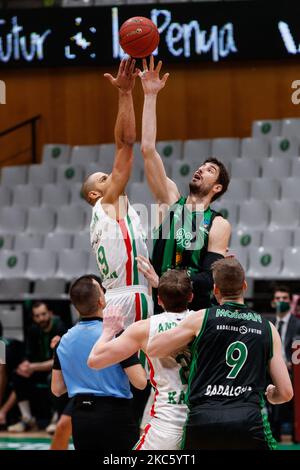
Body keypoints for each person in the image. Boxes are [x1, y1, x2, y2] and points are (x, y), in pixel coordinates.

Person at [147, 258, 294, 450]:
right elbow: (286, 393)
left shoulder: (201, 318)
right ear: (244, 286)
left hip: (203, 418)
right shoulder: (268, 327)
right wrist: (271, 395)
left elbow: (153, 348)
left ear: (215, 290)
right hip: (247, 419)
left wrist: (186, 342)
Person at [81, 57, 154, 424]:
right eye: (102, 177)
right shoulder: (107, 205)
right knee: (150, 385)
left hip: (122, 295)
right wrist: (127, 94)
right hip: (131, 297)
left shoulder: (116, 209)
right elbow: (126, 145)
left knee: (137, 384)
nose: (109, 176)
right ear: (96, 195)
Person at [139, 56, 231, 312]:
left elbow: (208, 278)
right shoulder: (170, 200)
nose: (201, 169)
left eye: (210, 170)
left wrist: (164, 282)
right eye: (202, 166)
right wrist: (150, 95)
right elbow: (147, 149)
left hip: (195, 314)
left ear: (217, 188)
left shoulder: (218, 224)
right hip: (158, 310)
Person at [88, 269, 195, 450]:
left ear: (159, 300)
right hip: (200, 420)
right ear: (191, 297)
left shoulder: (145, 328)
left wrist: (108, 331)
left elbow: (94, 361)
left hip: (167, 422)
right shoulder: (204, 322)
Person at [51, 275, 147, 451]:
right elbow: (140, 382)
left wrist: (81, 378)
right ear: (102, 300)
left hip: (81, 418)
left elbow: (57, 389)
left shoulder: (62, 340)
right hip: (115, 416)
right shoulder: (116, 335)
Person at [7, 302, 67, 432]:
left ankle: (56, 418)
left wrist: (32, 366)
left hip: (57, 368)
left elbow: (59, 360)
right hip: (39, 369)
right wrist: (25, 365)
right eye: (37, 316)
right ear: (34, 318)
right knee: (18, 375)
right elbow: (28, 355)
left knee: (54, 377)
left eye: (44, 314)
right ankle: (27, 419)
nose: (41, 318)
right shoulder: (33, 330)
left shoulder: (61, 328)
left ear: (50, 313)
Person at [269, 285, 300, 443]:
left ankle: (294, 436)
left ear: (290, 301)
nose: (281, 301)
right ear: (274, 302)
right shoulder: (268, 323)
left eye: (284, 298)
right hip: (269, 372)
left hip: (293, 372)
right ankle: (272, 435)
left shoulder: (298, 324)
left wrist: (291, 363)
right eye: (278, 299)